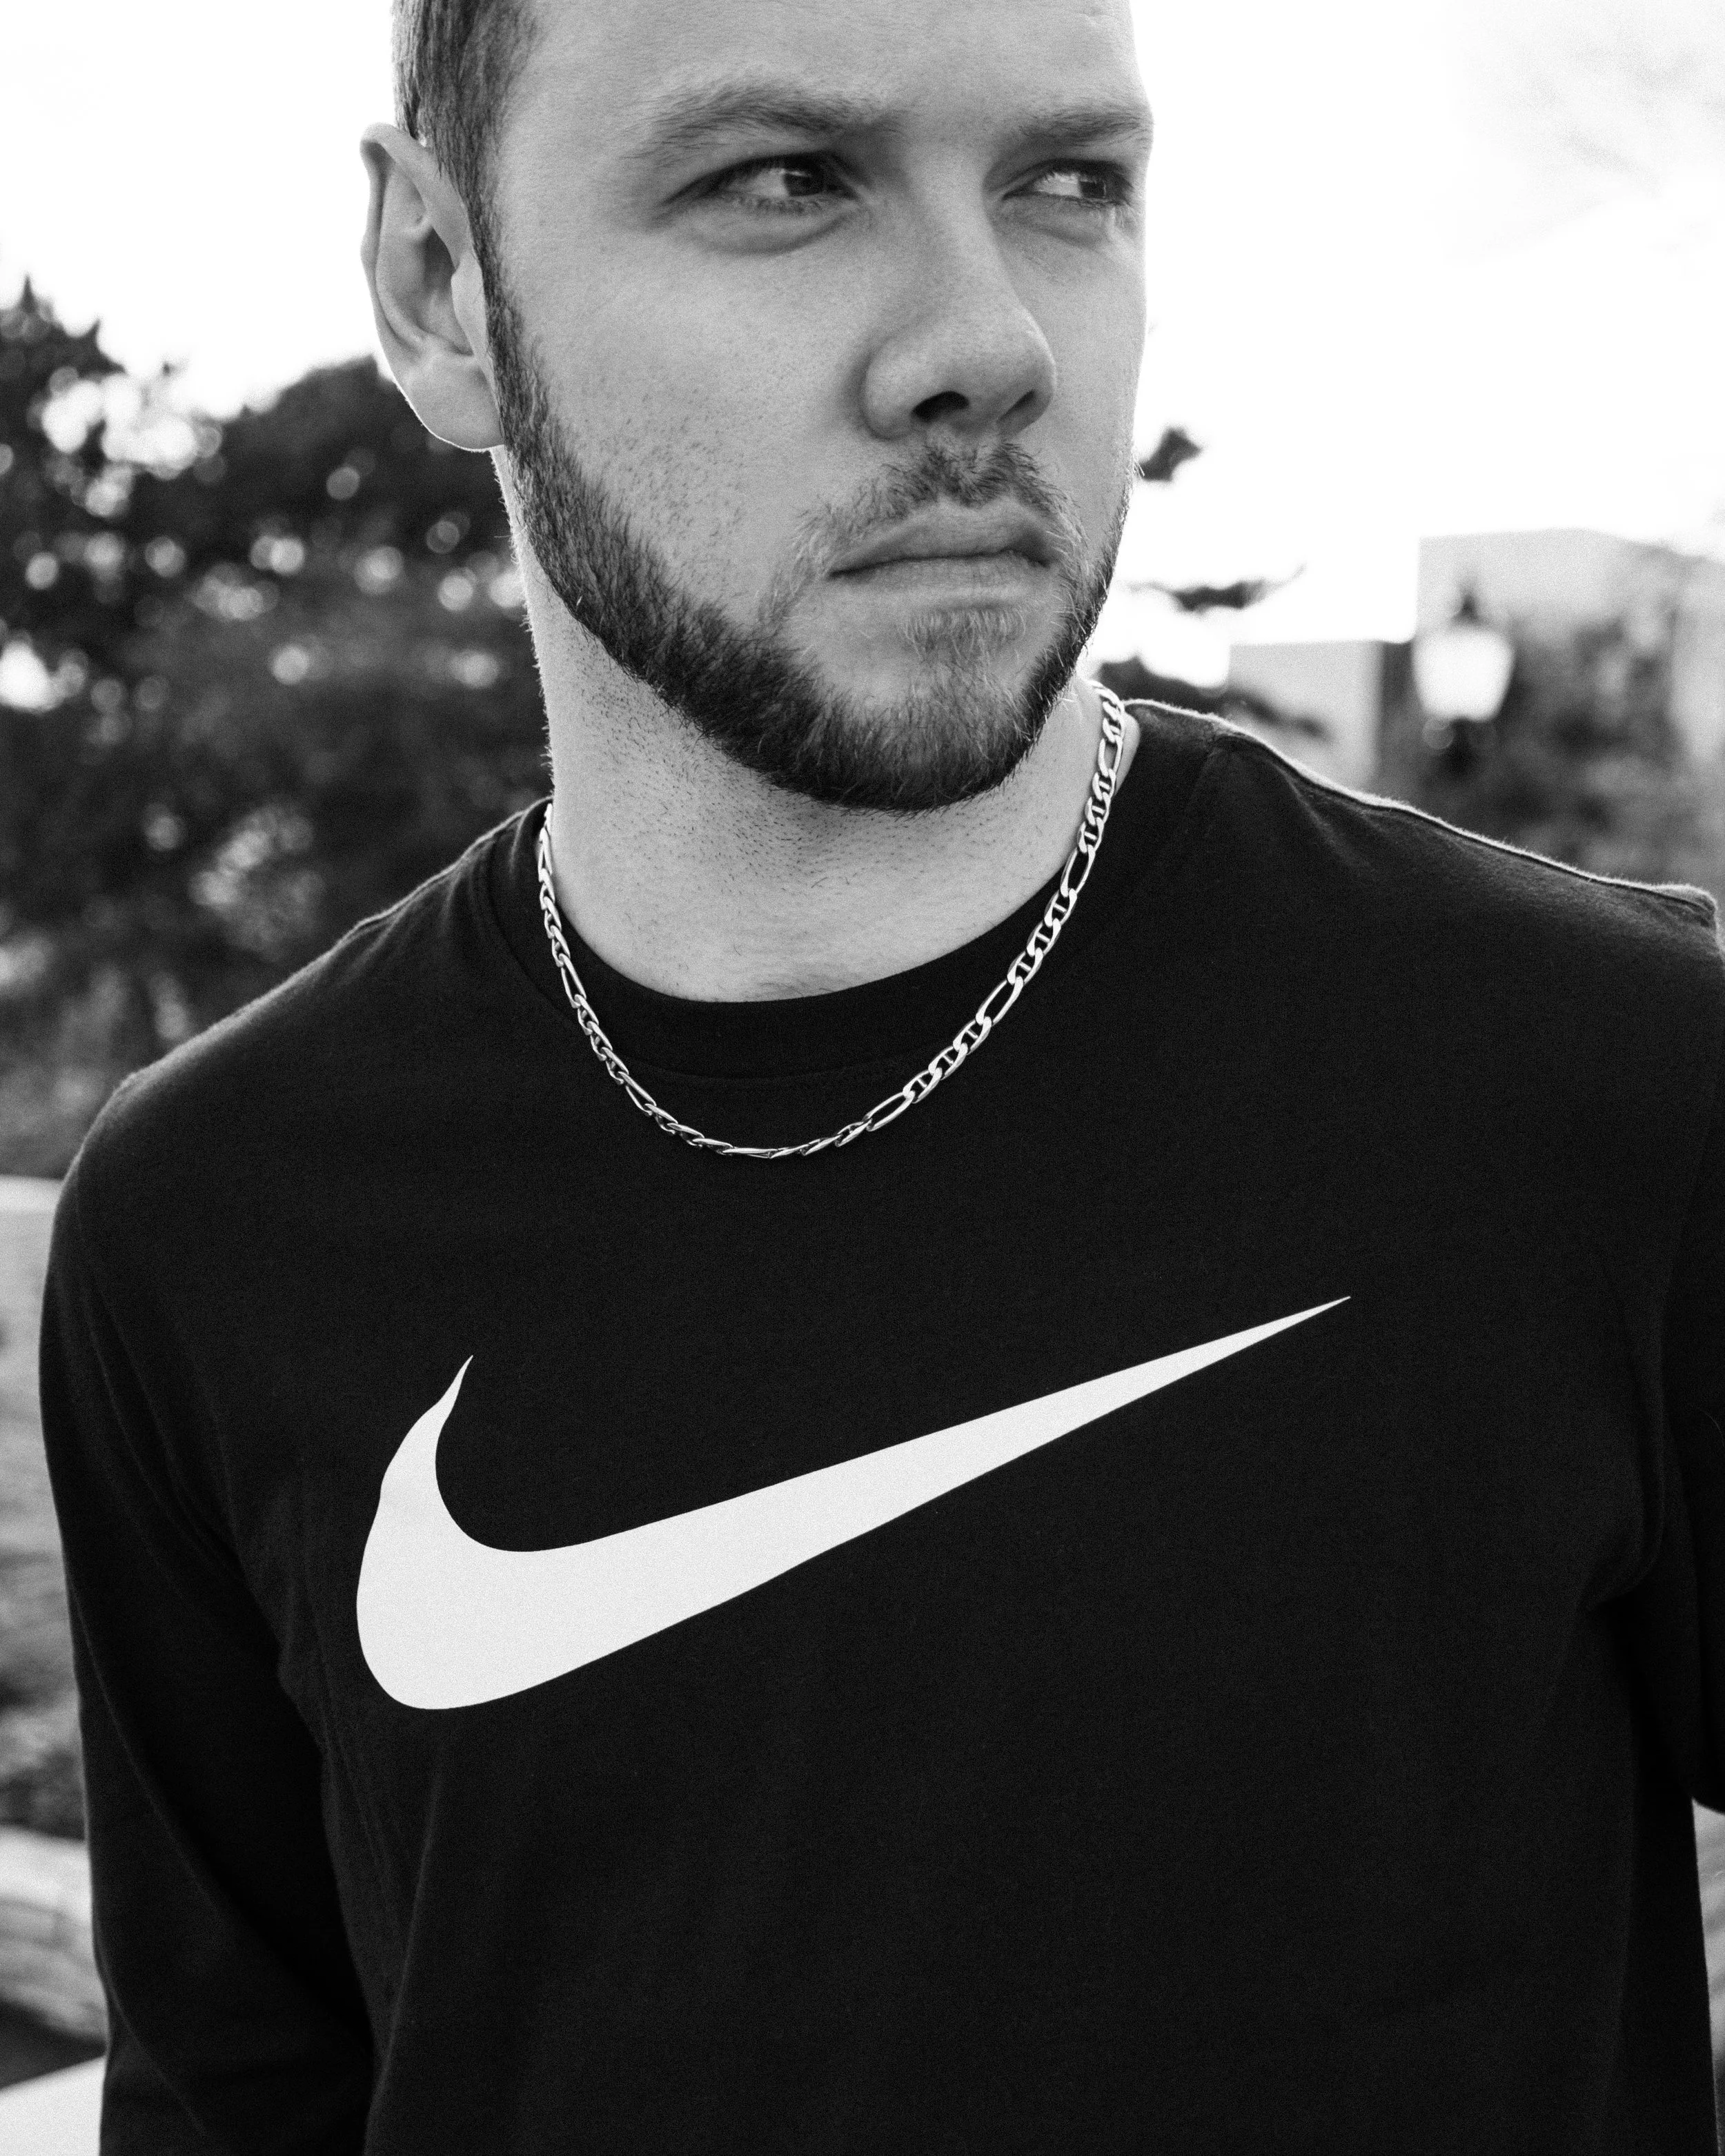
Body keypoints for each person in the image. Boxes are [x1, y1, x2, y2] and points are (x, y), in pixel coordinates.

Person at [36, 0, 1725, 2148]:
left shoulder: (1605, 1089)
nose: (989, 340)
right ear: (440, 286)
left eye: (1066, 182)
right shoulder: (216, 1217)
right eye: (784, 180)